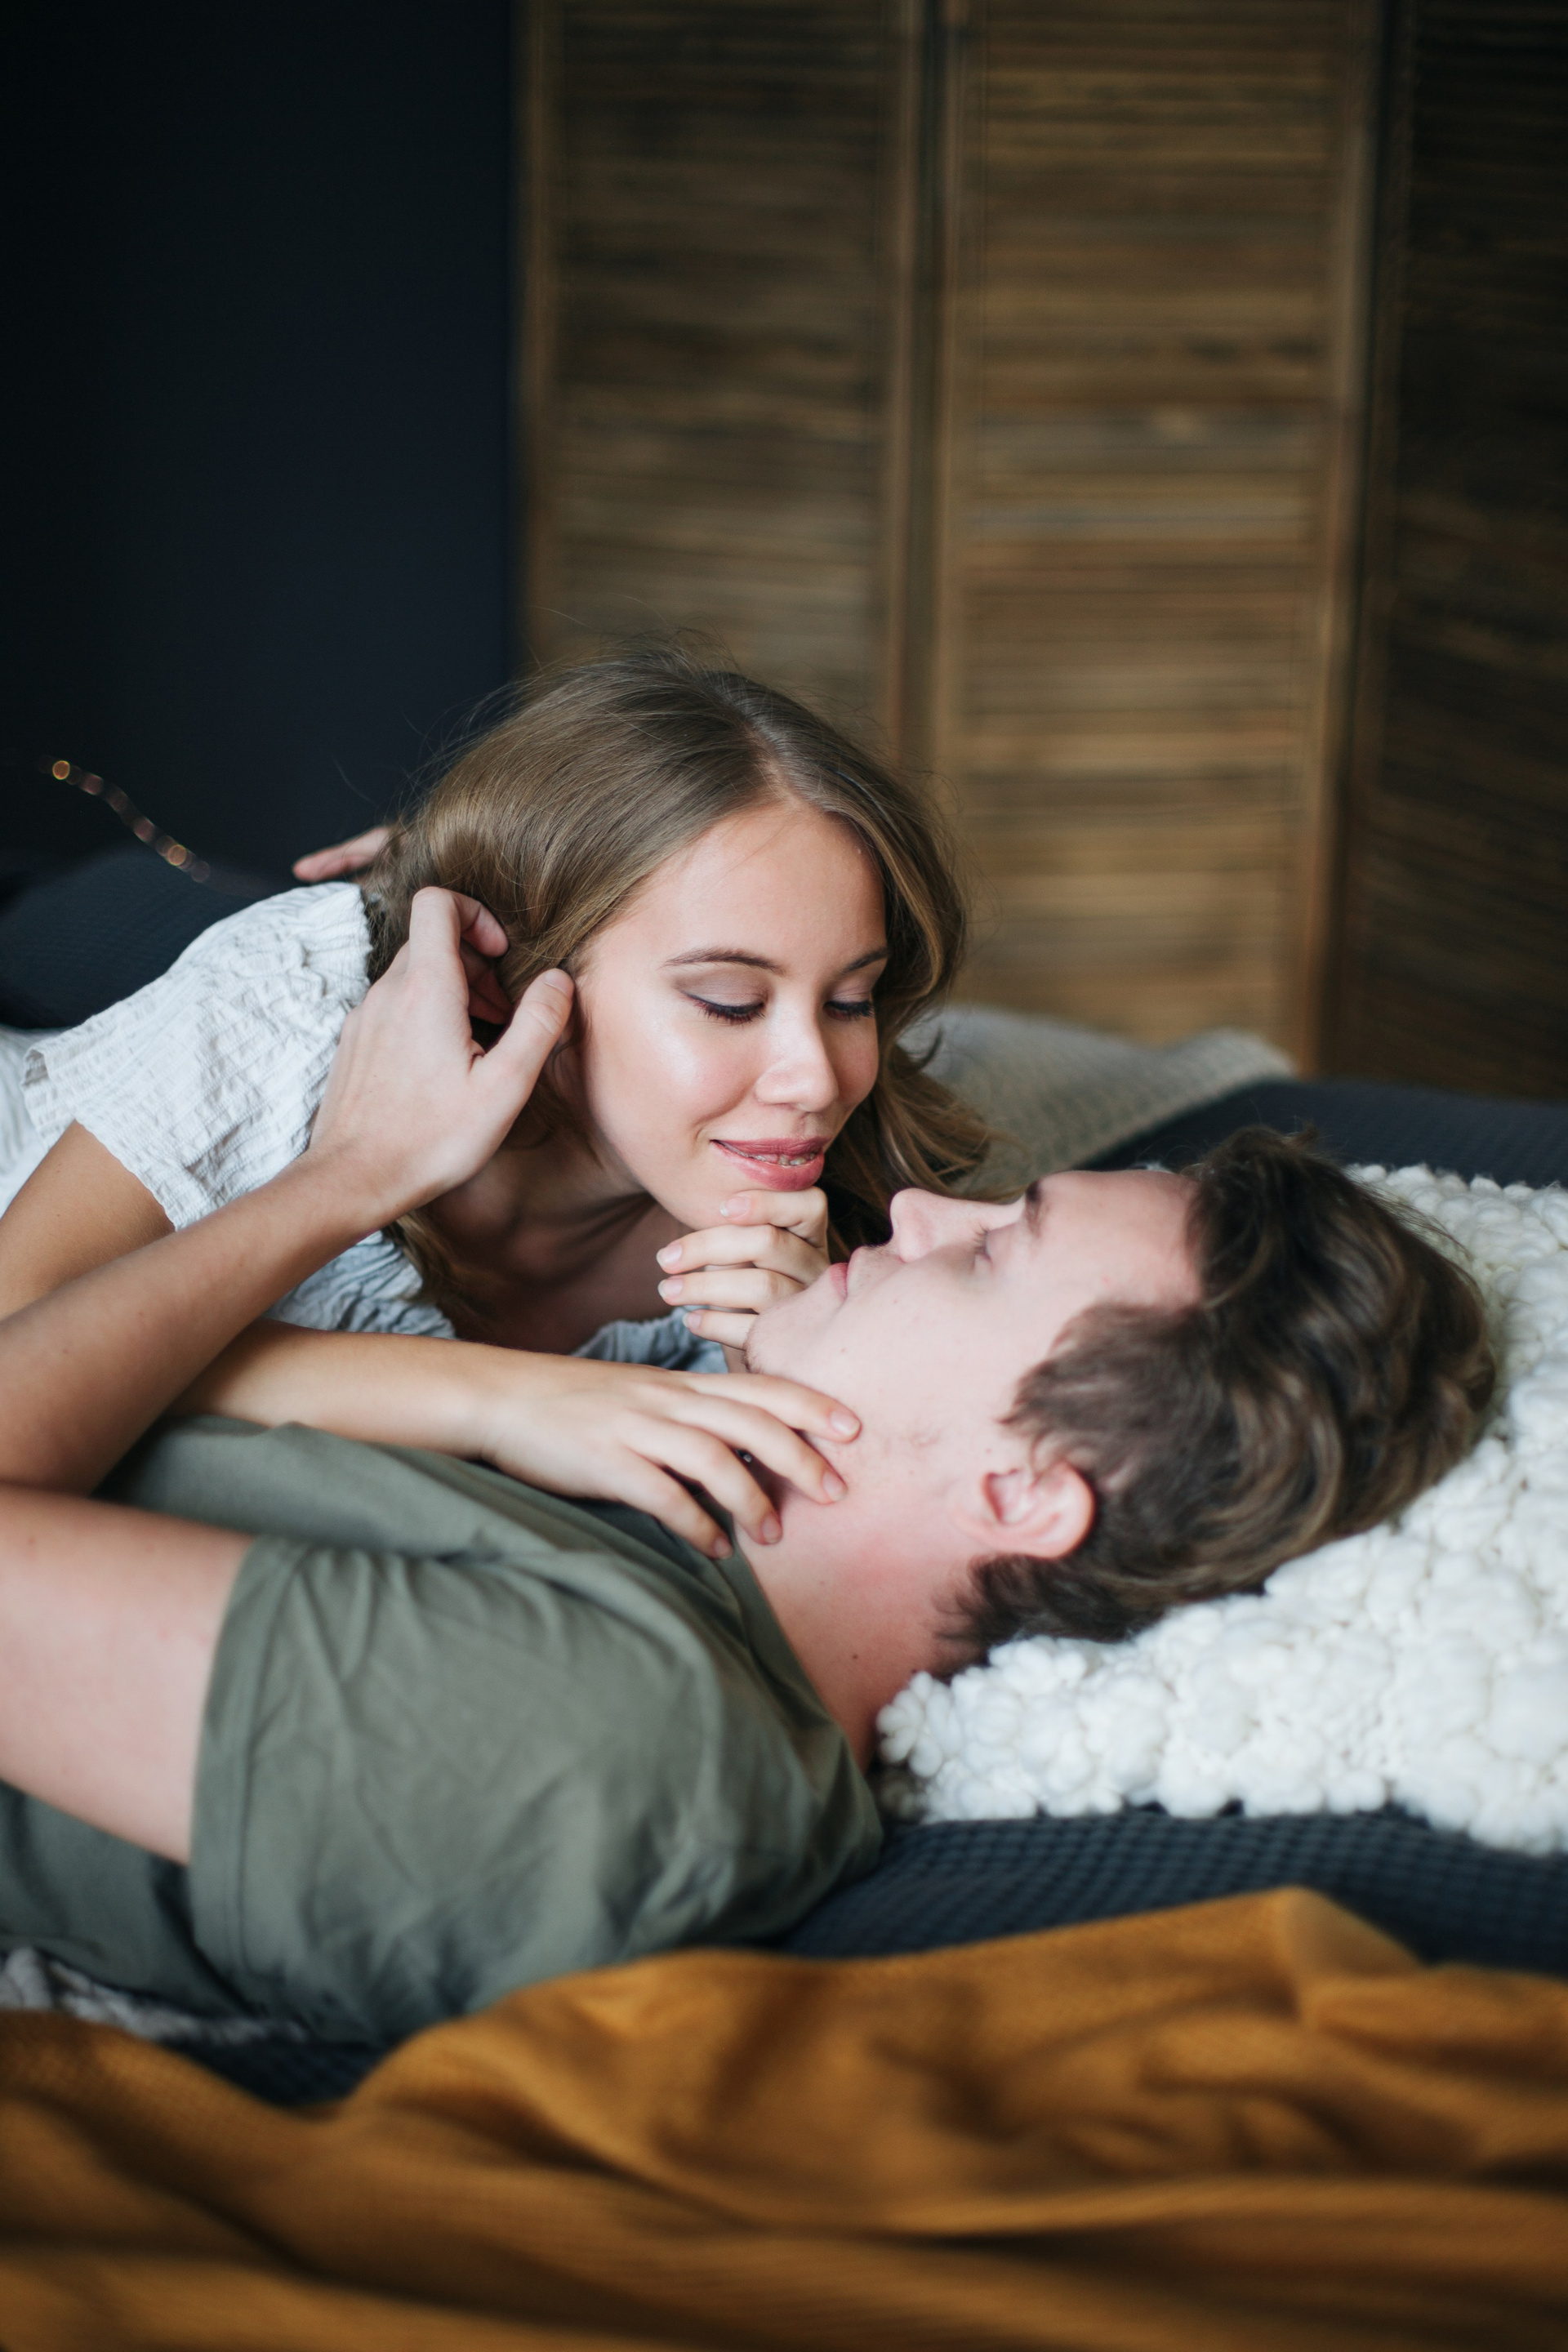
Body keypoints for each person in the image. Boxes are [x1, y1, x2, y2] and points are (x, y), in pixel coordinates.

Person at [0, 890, 1495, 2044]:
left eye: (994, 1254)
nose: (917, 1217)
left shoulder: (609, 1739)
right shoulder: (652, 1517)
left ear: (1025, 1494)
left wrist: (350, 1180)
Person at [0, 648, 987, 1557]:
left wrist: (786, 1369)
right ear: (515, 983)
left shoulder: (838, 1247)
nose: (818, 1079)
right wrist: (365, 1192)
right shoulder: (296, 1007)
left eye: (850, 1000)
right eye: (730, 1002)